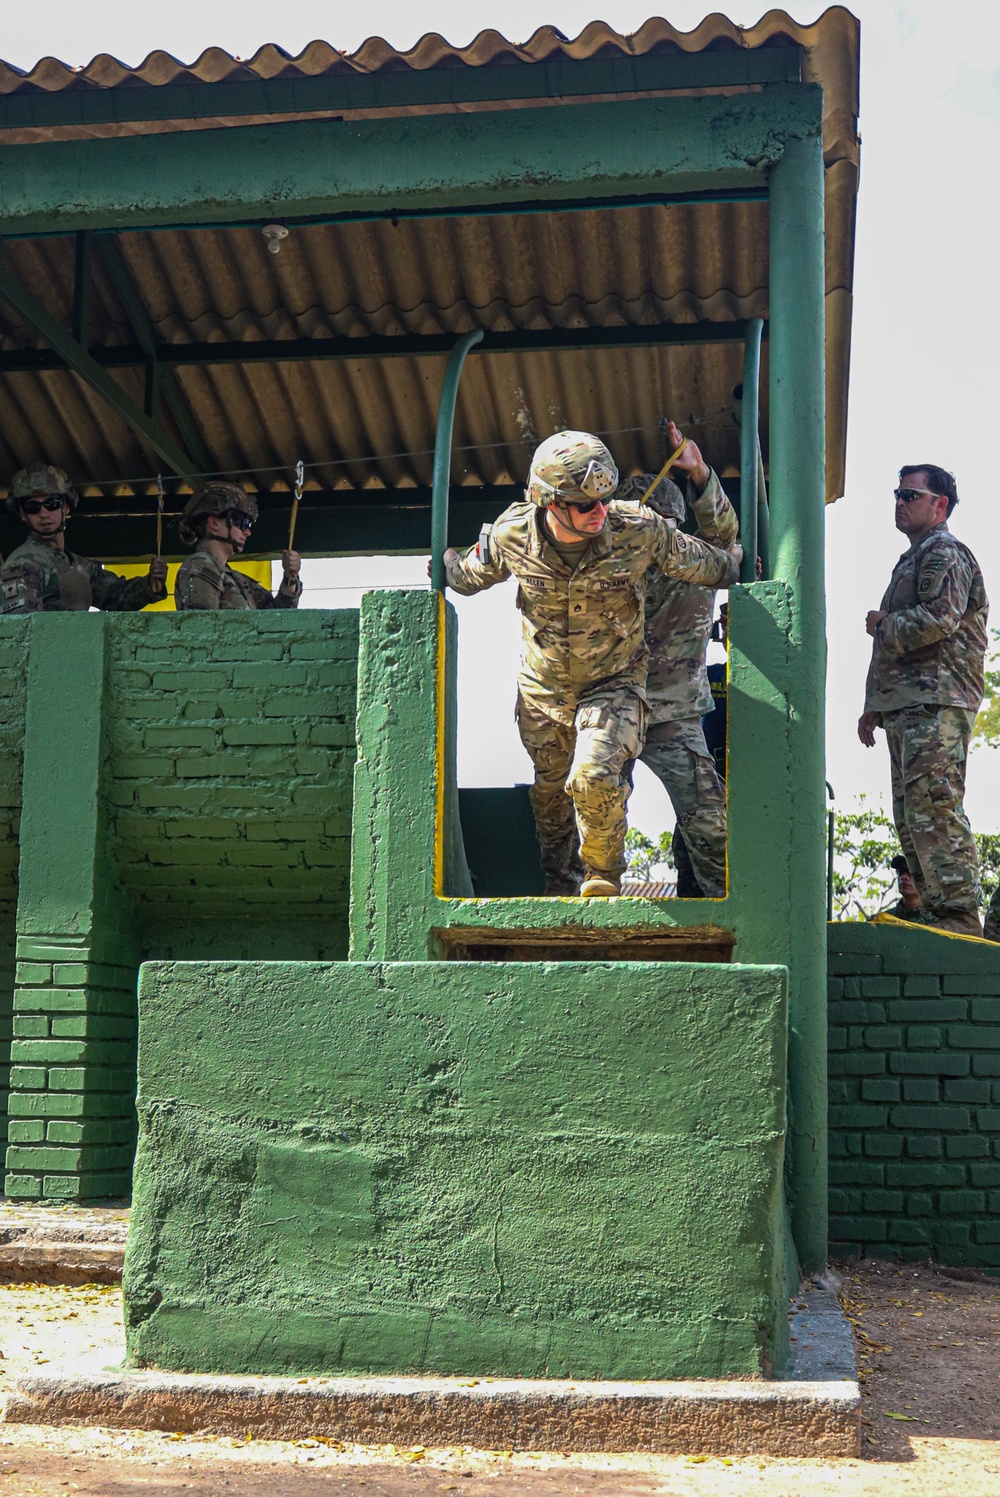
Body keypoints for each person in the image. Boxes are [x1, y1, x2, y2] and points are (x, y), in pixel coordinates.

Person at [441, 430, 741, 897]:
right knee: (558, 799)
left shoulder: (650, 541)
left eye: (671, 520)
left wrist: (703, 482)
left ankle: (729, 905)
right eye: (588, 504)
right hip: (559, 700)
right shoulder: (524, 535)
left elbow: (722, 552)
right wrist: (447, 564)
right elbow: (471, 571)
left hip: (653, 704)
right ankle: (567, 896)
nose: (602, 513)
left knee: (698, 815)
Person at [858, 465, 988, 937]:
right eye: (897, 493)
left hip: (937, 701)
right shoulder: (912, 559)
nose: (900, 501)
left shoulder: (944, 553)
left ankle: (958, 912)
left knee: (934, 805)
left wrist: (883, 624)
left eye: (911, 494)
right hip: (908, 704)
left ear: (940, 506)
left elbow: (939, 620)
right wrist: (876, 704)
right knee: (909, 810)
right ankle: (937, 910)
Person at [617, 428, 737, 899]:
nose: (652, 531)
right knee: (594, 808)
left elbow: (725, 537)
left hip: (676, 713)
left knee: (709, 821)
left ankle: (727, 906)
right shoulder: (606, 564)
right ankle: (586, 899)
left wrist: (700, 473)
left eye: (663, 521)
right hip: (614, 707)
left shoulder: (697, 561)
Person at [0, 463, 166, 613]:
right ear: (23, 514)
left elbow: (116, 596)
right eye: (33, 507)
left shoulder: (77, 564)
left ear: (65, 507)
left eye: (52, 504)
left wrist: (151, 584)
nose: (44, 514)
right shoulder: (25, 563)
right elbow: (21, 630)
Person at [175, 482, 301, 610]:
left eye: (248, 525)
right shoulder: (201, 568)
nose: (247, 532)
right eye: (241, 522)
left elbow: (278, 617)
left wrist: (290, 577)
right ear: (214, 523)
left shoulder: (237, 579)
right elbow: (202, 626)